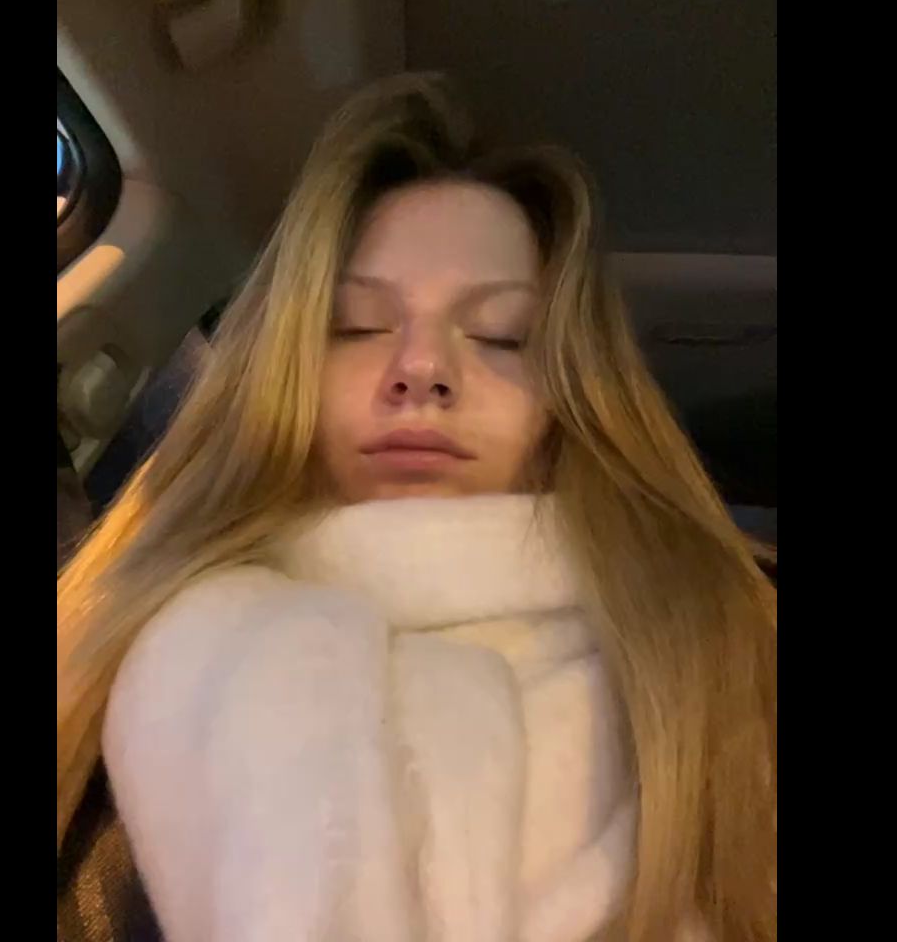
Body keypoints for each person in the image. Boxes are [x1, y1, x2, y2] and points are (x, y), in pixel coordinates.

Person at [57, 74, 776, 942]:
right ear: (281, 369)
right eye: (358, 324)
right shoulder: (108, 695)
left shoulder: (722, 651)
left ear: (571, 401)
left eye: (502, 336)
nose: (423, 369)